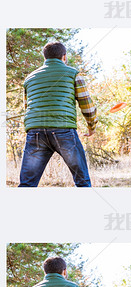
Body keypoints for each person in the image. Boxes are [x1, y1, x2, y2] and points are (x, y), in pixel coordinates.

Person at [19, 42, 98, 187]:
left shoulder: (29, 78)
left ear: (45, 57)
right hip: (63, 130)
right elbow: (86, 105)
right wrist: (91, 126)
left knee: (27, 184)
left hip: (35, 132)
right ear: (64, 56)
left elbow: (27, 107)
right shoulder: (73, 73)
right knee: (82, 181)